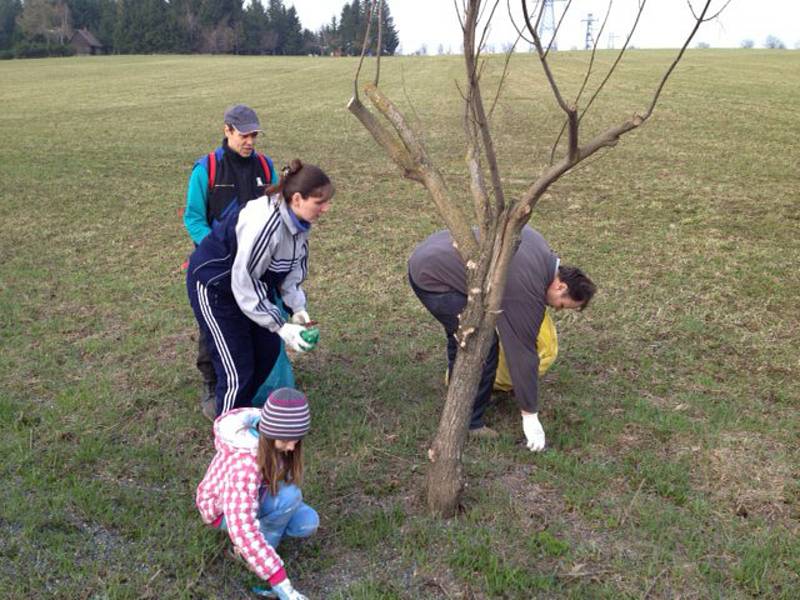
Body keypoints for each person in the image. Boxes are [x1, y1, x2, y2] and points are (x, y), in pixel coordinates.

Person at [408, 226, 596, 451]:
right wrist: (530, 414)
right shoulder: (526, 288)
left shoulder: (539, 246)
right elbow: (523, 353)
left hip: (433, 250)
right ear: (561, 286)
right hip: (433, 278)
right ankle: (471, 423)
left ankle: (461, 391)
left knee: (462, 335)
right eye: (562, 305)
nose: (557, 309)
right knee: (480, 344)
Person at [187, 159, 333, 418]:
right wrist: (281, 325)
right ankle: (229, 435)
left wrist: (298, 310)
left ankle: (243, 414)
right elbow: (243, 282)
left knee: (265, 355)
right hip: (216, 287)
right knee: (237, 368)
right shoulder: (265, 224)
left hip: (251, 287)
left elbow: (291, 271)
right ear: (297, 199)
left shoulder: (298, 224)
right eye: (319, 202)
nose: (326, 209)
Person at [184, 104, 279, 420]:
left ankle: (246, 389)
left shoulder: (265, 168)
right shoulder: (207, 169)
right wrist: (221, 249)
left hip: (255, 268)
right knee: (214, 327)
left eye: (254, 135)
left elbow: (277, 212)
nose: (250, 141)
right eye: (243, 135)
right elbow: (194, 218)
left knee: (251, 323)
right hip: (216, 268)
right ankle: (212, 385)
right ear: (227, 131)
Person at [196, 387, 316, 600]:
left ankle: (263, 540)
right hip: (222, 511)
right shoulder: (246, 465)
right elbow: (242, 527)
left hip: (255, 494)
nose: (292, 446)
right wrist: (281, 582)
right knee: (289, 497)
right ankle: (251, 556)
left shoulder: (271, 440)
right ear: (269, 434)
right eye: (286, 440)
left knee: (306, 522)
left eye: (296, 439)